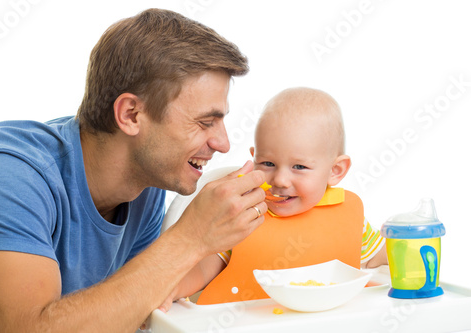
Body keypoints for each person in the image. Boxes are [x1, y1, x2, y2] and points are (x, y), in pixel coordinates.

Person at [0, 9, 269, 332]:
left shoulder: (146, 185)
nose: (223, 143)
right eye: (204, 122)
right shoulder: (10, 172)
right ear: (130, 114)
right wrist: (191, 237)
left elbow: (134, 314)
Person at [160, 87, 388, 308]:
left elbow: (376, 257)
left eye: (299, 166)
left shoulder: (347, 217)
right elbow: (201, 270)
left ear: (335, 170)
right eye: (268, 163)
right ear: (253, 157)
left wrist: (412, 245)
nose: (280, 180)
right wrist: (169, 289)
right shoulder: (239, 215)